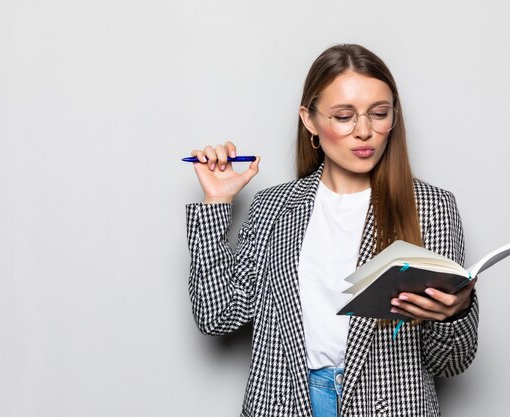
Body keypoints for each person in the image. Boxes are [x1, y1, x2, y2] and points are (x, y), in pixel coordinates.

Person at [185, 44, 478, 417]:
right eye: (343, 116)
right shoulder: (273, 207)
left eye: (379, 114)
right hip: (284, 405)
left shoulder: (431, 208)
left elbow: (450, 363)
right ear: (310, 120)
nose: (364, 132)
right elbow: (217, 315)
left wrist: (456, 312)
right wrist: (216, 203)